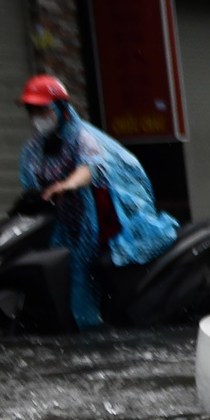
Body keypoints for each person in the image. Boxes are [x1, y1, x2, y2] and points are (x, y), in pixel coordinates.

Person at [17, 74, 179, 328]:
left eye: (42, 109)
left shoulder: (81, 138)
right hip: (61, 226)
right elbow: (30, 184)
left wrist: (69, 184)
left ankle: (94, 336)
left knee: (84, 280)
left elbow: (91, 167)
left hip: (94, 224)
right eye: (31, 110)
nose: (37, 116)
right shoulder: (33, 149)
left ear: (61, 108)